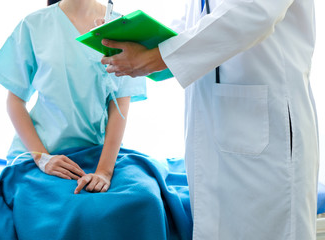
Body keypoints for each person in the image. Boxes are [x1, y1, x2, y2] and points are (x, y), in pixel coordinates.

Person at [0, 0, 192, 239]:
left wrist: (104, 171)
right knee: (66, 213)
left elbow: (120, 106)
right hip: (43, 157)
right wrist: (43, 158)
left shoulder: (121, 26)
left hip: (99, 154)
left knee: (144, 200)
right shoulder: (33, 25)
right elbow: (15, 102)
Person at [100, 0, 319, 239]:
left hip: (268, 138)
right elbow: (191, 27)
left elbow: (255, 11)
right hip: (216, 130)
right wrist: (136, 43)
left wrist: (159, 56)